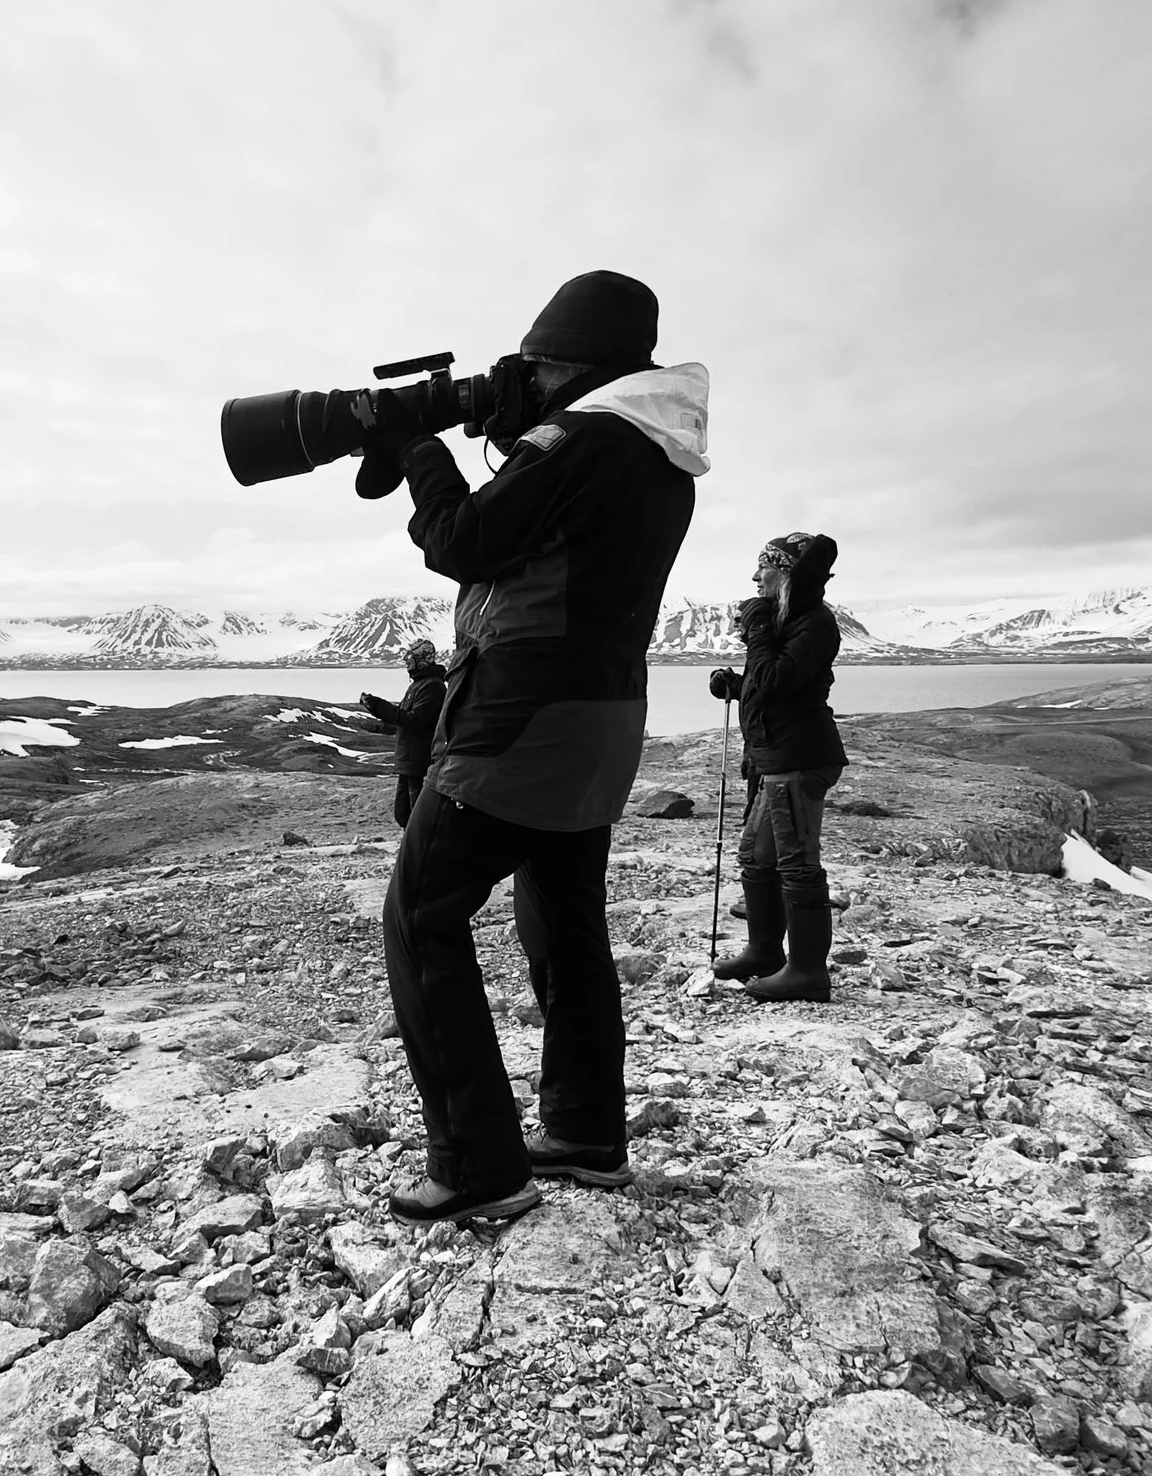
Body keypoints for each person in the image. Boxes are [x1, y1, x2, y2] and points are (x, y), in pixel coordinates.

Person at [353, 271, 708, 1223]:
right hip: (601, 723)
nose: (528, 379)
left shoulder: (583, 435)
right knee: (564, 921)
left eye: (541, 363)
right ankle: (587, 1130)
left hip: (522, 719)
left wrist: (423, 444)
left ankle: (477, 1163)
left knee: (421, 914)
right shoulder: (655, 450)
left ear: (578, 365)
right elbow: (535, 538)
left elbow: (464, 537)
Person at [711, 533, 848, 1003]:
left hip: (800, 759)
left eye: (764, 567)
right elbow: (771, 681)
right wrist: (737, 684)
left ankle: (808, 971)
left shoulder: (814, 624)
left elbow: (774, 680)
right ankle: (765, 951)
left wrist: (757, 632)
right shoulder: (792, 621)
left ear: (785, 573)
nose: (755, 577)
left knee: (796, 864)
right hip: (778, 760)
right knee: (756, 856)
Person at [357, 639, 448, 827]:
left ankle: (420, 854)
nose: (406, 660)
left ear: (421, 659)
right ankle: (412, 851)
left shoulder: (432, 686)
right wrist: (374, 720)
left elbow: (414, 721)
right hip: (409, 763)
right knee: (405, 814)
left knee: (417, 819)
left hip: (419, 763)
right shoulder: (420, 685)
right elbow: (403, 722)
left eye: (410, 656)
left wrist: (379, 705)